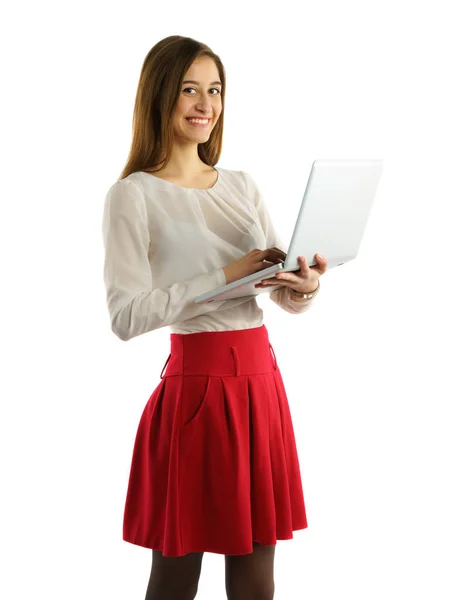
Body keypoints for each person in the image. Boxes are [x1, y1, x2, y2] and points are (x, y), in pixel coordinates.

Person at [102, 35, 327, 600]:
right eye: (189, 90)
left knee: (257, 571)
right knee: (177, 574)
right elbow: (125, 316)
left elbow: (277, 288)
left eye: (215, 90)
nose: (205, 104)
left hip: (260, 386)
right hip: (196, 393)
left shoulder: (242, 185)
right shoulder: (133, 195)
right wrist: (225, 276)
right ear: (160, 96)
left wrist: (304, 286)